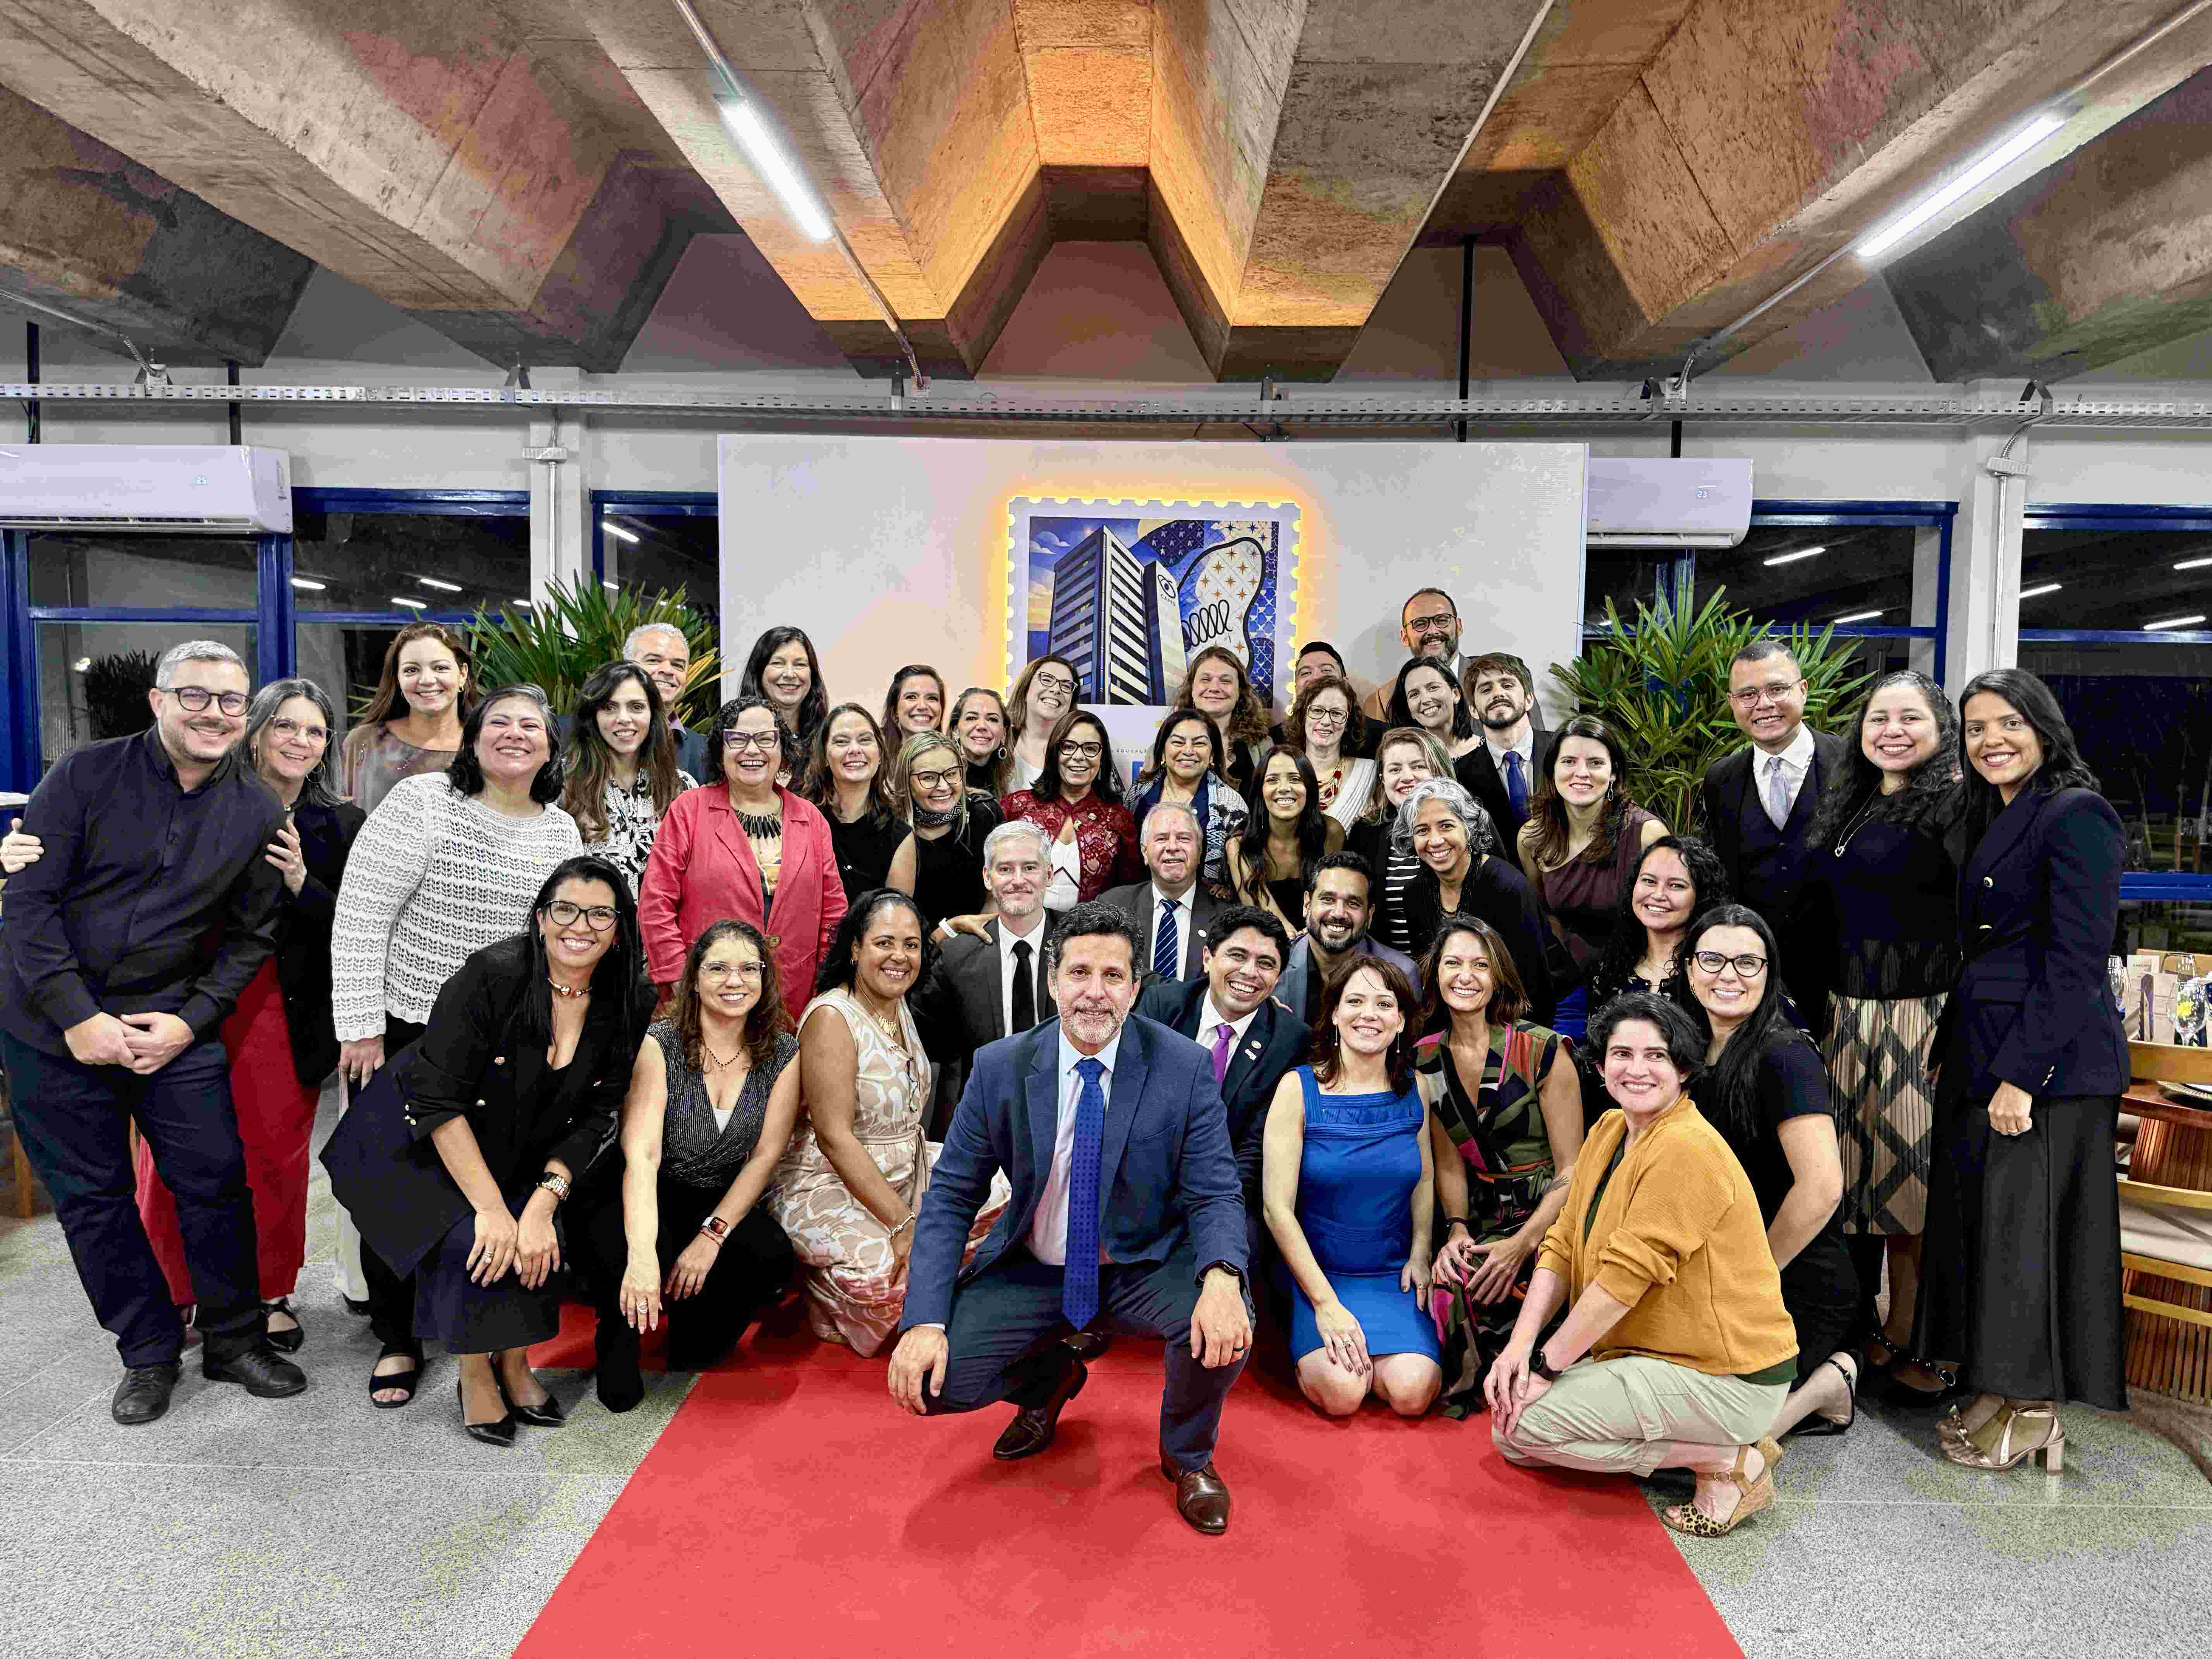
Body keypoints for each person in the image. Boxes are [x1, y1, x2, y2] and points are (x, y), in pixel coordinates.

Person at [0, 677, 365, 1356]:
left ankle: (262, 1300)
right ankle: (172, 1300)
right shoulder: (171, 789)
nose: (299, 741)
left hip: (268, 1006)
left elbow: (353, 925)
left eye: (315, 731)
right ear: (254, 731)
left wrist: (300, 883)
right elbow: (67, 883)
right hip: (170, 999)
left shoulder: (334, 822)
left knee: (256, 1164)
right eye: (285, 725)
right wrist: (19, 852)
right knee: (159, 1171)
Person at [886, 903, 1253, 1536]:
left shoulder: (1182, 1066)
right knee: (930, 1383)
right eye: (1079, 972)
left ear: (1135, 988)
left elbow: (1216, 1189)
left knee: (1228, 1324)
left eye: (1113, 976)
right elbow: (949, 1198)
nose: (1094, 991)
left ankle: (1188, 1455)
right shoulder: (1000, 1066)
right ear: (1053, 979)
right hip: (1036, 1264)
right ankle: (1050, 1380)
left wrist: (1223, 1275)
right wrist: (924, 1320)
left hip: (1142, 1262)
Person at [322, 856, 654, 1446]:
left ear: (621, 928)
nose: (580, 926)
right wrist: (493, 1210)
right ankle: (474, 1372)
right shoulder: (493, 975)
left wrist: (543, 1204)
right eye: (565, 909)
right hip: (415, 1137)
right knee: (474, 1238)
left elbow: (601, 1111)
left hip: (516, 1139)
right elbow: (438, 1102)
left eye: (600, 914)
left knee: (537, 1237)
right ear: (540, 918)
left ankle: (515, 1362)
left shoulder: (629, 996)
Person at [331, 683, 582, 1406]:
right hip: (408, 1024)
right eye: (498, 721)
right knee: (397, 1184)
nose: (514, 734)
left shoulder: (560, 830)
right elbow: (362, 912)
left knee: (480, 1186)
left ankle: (470, 1329)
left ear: (551, 746)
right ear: (473, 736)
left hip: (507, 1040)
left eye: (530, 725)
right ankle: (396, 1336)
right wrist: (360, 1023)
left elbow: (559, 940)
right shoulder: (423, 802)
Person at [1912, 670, 2127, 1471]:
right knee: (1994, 1235)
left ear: (2043, 727)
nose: (1991, 740)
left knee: (2029, 1241)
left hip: (2049, 1070)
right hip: (1988, 1049)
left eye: (2008, 723)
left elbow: (2075, 961)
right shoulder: (1998, 811)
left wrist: (2021, 1076)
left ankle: (2035, 1411)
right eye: (1975, 728)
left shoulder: (2076, 813)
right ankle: (2000, 1390)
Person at [1487, 993, 1798, 1538]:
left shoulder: (1686, 1148)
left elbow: (1621, 1283)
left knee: (1524, 1427)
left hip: (1725, 1378)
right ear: (1600, 1065)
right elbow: (1562, 1243)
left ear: (1684, 1068)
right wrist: (1521, 1346)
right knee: (1513, 1436)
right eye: (1622, 1054)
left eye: (1656, 1056)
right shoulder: (1610, 1128)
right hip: (1657, 1357)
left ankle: (1727, 1459)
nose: (1637, 1069)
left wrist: (1545, 1370)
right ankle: (1709, 1449)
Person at [1797, 670, 1963, 1389]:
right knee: (1860, 1182)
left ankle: (1920, 1336)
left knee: (1913, 1186)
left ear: (1942, 728)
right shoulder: (1857, 799)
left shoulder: (1956, 805)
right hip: (1849, 1016)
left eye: (1909, 717)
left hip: (1919, 1017)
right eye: (1878, 718)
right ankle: (1870, 1322)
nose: (1891, 730)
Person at [771, 890, 1010, 1355]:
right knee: (895, 1280)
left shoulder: (896, 998)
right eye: (884, 943)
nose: (899, 956)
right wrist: (904, 1226)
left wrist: (946, 928)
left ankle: (920, 1269)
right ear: (855, 949)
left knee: (1015, 1195)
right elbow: (835, 1139)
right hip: (831, 1180)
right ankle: (823, 1291)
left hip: (908, 1169)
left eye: (911, 945)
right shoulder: (832, 1017)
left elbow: (909, 957)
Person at [577, 919, 800, 1412]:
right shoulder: (660, 1045)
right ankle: (617, 1323)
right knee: (620, 1394)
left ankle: (686, 1316)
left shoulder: (783, 1051)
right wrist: (641, 1258)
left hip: (711, 1195)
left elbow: (765, 1156)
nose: (734, 981)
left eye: (749, 969)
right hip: (639, 1188)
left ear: (764, 979)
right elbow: (642, 1157)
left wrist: (712, 1237)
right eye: (718, 968)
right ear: (694, 979)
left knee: (768, 1255)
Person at [1682, 907, 1860, 1440]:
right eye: (1712, 959)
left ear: (1769, 973)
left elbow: (1823, 1188)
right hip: (1716, 1274)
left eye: (1747, 962)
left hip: (1790, 1276)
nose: (1728, 975)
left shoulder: (1784, 1055)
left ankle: (1830, 1382)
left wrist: (1753, 1277)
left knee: (1712, 1441)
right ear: (1689, 969)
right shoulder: (1688, 1049)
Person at [1417, 917, 1582, 1418]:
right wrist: (1457, 1229)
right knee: (1453, 1281)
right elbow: (1449, 1162)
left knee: (1531, 1289)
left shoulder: (1544, 1049)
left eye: (1480, 965)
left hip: (1553, 1218)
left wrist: (1524, 1243)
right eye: (1453, 964)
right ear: (1436, 975)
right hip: (1485, 1216)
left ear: (1498, 977)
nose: (1465, 976)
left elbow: (1574, 1169)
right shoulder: (1426, 1058)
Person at [1262, 957, 1442, 1418]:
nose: (1369, 1015)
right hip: (1318, 1274)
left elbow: (1424, 1177)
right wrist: (1325, 1304)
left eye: (1384, 1004)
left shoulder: (1416, 1088)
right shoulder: (1297, 1089)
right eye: (1356, 1001)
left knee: (1413, 1393)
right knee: (1343, 1394)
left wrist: (1421, 1251)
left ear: (1400, 1021)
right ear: (1336, 1014)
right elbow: (1276, 1210)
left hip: (1391, 1273)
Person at [639, 696, 847, 1025]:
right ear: (720, 750)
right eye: (737, 739)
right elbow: (656, 904)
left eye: (766, 739)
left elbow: (833, 914)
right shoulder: (689, 810)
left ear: (783, 749)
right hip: (701, 998)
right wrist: (680, 980)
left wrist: (824, 986)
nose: (752, 750)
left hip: (793, 1001)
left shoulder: (811, 819)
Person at [1136, 904, 1305, 1256]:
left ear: (1278, 976)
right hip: (1145, 1184)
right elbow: (1134, 1107)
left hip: (1227, 1193)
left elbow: (1256, 1148)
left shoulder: (1290, 1040)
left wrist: (1208, 1205)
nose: (1249, 972)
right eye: (1237, 956)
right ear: (1207, 958)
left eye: (1266, 963)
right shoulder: (1163, 1007)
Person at [1699, 640, 1849, 1016]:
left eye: (1777, 689)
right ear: (1732, 703)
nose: (1764, 704)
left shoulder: (1853, 765)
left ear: (1804, 690)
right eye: (1748, 694)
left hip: (1844, 981)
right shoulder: (1721, 780)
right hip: (1755, 981)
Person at [1516, 714, 1668, 1032]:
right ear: (1553, 771)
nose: (1581, 773)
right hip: (1569, 986)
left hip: (1638, 983)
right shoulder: (1532, 838)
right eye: (1569, 762)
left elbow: (1672, 921)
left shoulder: (1647, 834)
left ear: (1613, 774)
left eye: (1596, 763)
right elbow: (1545, 915)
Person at [1394, 778, 1553, 1025]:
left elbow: (1534, 987)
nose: (1435, 840)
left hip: (1536, 1011)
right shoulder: (1415, 894)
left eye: (1446, 826)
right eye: (1422, 831)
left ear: (1469, 828)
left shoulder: (1508, 887)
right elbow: (1431, 981)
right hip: (1463, 1015)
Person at [560, 660, 697, 898]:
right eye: (609, 707)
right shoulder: (563, 781)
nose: (624, 718)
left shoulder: (682, 787)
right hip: (589, 918)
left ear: (653, 715)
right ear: (593, 716)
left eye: (636, 707)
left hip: (663, 920)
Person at [931, 821, 1056, 1068]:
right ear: (988, 878)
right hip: (986, 1089)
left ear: (1049, 875)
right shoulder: (957, 956)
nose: (1018, 881)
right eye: (1006, 869)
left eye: (1030, 868)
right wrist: (946, 930)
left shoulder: (1079, 942)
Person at [1000, 711, 1142, 908]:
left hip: (1092, 927)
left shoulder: (1119, 819)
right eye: (1068, 747)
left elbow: (1130, 893)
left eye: (1090, 749)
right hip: (1023, 923)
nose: (1079, 757)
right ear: (1055, 753)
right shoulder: (1017, 807)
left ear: (1102, 758)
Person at [336, 620, 474, 814]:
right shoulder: (365, 742)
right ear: (398, 679)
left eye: (440, 668)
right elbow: (343, 822)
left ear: (463, 674)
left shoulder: (484, 747)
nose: (427, 680)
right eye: (412, 670)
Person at [1275, 852, 1422, 1027]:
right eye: (1328, 899)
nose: (1339, 914)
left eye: (1353, 903)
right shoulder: (1275, 965)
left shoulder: (1403, 974)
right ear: (1307, 904)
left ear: (1370, 914)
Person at [1345, 726, 1456, 955]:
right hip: (1387, 968)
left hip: (1453, 965)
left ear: (1440, 772)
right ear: (1382, 779)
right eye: (1395, 769)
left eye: (1418, 766)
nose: (1407, 777)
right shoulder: (1365, 834)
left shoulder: (1469, 825)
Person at [1585, 836, 1728, 1012]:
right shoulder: (1610, 969)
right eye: (1649, 881)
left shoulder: (1716, 972)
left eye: (1676, 886)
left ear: (1701, 896)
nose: (1658, 895)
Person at [888, 730, 1005, 933]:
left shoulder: (984, 814)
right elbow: (895, 920)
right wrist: (946, 934)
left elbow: (997, 897)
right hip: (917, 944)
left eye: (952, 774)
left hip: (978, 940)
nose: (943, 787)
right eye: (929, 778)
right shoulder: (891, 830)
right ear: (906, 781)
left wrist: (968, 944)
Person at [1098, 801, 1219, 983]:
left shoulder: (1225, 916)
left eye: (1184, 838)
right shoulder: (1111, 906)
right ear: (1144, 852)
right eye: (1161, 839)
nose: (1172, 847)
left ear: (1200, 850)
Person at [1226, 745, 1343, 930]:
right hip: (1266, 936)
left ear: (1309, 787)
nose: (1284, 788)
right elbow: (1265, 917)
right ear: (1260, 789)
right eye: (1272, 780)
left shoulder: (1331, 832)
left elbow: (1331, 902)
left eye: (1295, 779)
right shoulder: (1240, 844)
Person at [1128, 710, 1249, 889]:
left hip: (1204, 901)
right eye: (1178, 742)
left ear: (1213, 755)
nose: (1188, 751)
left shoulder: (1232, 806)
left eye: (1200, 744)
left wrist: (1228, 888)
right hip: (1141, 898)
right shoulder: (1139, 794)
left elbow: (1243, 874)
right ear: (1163, 752)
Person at [800, 702, 906, 905]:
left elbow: (895, 916)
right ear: (824, 757)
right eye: (841, 742)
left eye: (865, 740)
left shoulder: (899, 835)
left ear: (880, 754)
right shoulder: (801, 821)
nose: (855, 750)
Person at [1456, 652, 1552, 851]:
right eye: (1486, 689)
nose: (1497, 694)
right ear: (1473, 710)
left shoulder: (1563, 750)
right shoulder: (1461, 776)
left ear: (1529, 699)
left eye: (1508, 685)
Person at [1172, 644, 1273, 799]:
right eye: (1206, 679)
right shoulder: (1165, 747)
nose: (1214, 688)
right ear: (1192, 689)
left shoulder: (1263, 747)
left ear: (1240, 692)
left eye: (1226, 681)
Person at [617, 620, 713, 780]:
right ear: (626, 668)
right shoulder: (584, 740)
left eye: (678, 665)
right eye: (654, 661)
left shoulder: (706, 752)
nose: (668, 671)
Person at [1358, 589, 1465, 723]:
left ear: (1459, 627)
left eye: (1442, 620)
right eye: (1420, 624)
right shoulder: (1383, 701)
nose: (1433, 631)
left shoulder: (1488, 677)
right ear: (1405, 637)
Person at [1285, 673, 1375, 832]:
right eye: (1317, 711)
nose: (1326, 722)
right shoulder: (1280, 770)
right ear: (1303, 716)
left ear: (1348, 723)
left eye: (1337, 713)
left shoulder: (1369, 772)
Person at [1386, 656, 1482, 785]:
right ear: (1410, 710)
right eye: (1414, 694)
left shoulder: (1490, 749)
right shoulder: (1405, 766)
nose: (1426, 700)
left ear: (1455, 694)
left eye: (1433, 688)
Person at [1271, 642, 1373, 756]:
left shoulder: (1377, 736)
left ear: (1345, 683)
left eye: (1326, 670)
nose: (1316, 678)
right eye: (1306, 673)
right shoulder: (1274, 741)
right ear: (1296, 688)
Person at [741, 625, 829, 748]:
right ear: (759, 672)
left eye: (800, 665)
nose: (790, 674)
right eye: (778, 663)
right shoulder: (738, 739)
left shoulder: (827, 739)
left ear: (812, 675)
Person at [1006, 654, 1079, 790]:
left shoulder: (1082, 749)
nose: (1056, 690)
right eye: (1046, 680)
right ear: (1026, 688)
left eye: (1066, 686)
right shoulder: (998, 740)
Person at [949, 685, 1014, 795]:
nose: (982, 726)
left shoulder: (1011, 784)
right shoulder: (942, 780)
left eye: (992, 719)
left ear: (1004, 734)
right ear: (956, 730)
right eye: (972, 718)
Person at [882, 665, 946, 738]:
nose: (922, 706)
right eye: (911, 697)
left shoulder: (952, 746)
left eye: (932, 698)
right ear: (895, 710)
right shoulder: (874, 745)